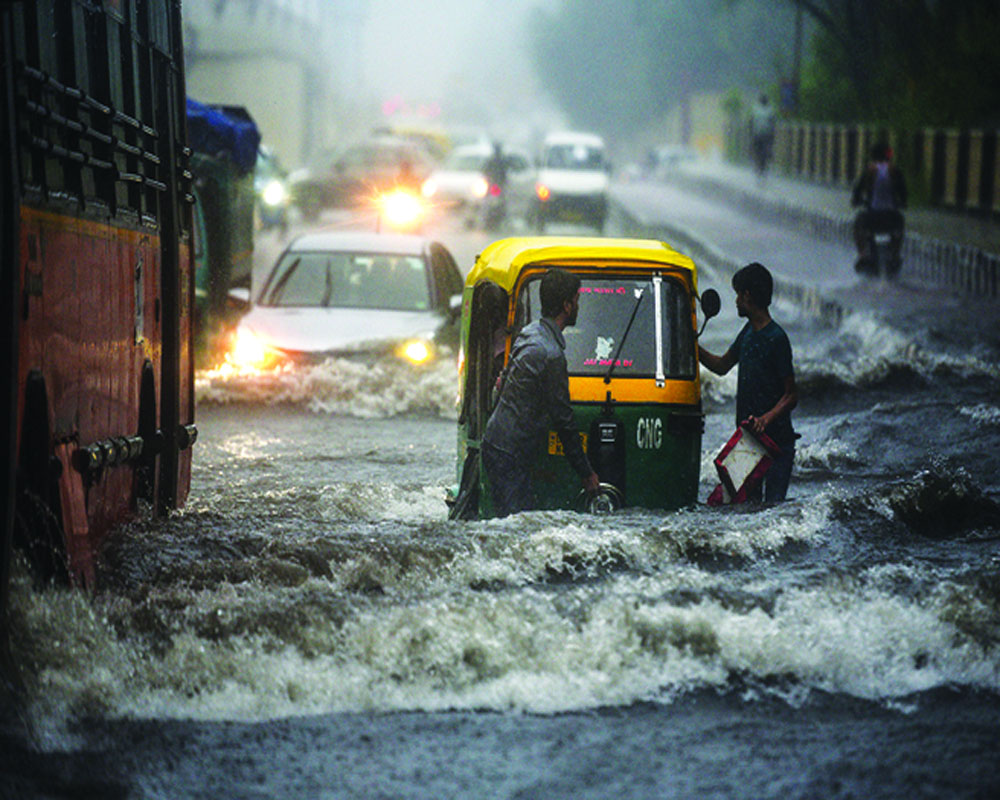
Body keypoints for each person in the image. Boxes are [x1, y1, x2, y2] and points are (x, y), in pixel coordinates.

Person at [482, 268, 600, 516]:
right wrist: (586, 473)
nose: (578, 306)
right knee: (514, 527)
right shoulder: (551, 355)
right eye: (577, 300)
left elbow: (503, 382)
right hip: (509, 455)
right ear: (567, 306)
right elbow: (564, 421)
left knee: (514, 522)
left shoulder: (530, 332)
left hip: (498, 443)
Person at [698, 262, 798, 503]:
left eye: (737, 295)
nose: (735, 302)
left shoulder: (777, 338)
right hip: (749, 440)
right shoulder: (748, 332)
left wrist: (766, 419)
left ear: (747, 295)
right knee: (739, 509)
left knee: (772, 510)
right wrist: (692, 347)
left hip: (777, 445)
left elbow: (791, 395)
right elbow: (722, 366)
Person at [851, 142, 907, 273]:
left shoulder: (869, 170)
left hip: (872, 217)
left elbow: (857, 191)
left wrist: (856, 201)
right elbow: (903, 192)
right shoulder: (895, 171)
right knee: (900, 226)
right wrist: (903, 203)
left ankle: (862, 254)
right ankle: (895, 253)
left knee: (858, 224)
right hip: (891, 216)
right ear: (888, 156)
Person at [749, 93, 775, 175]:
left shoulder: (755, 109)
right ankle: (764, 162)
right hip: (765, 133)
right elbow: (773, 122)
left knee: (756, 148)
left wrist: (750, 132)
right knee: (766, 149)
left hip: (758, 133)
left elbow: (751, 121)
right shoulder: (770, 109)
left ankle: (757, 162)